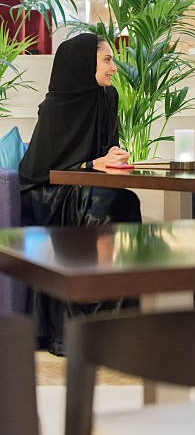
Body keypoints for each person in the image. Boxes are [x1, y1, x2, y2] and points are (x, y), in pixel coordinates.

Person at [19, 32, 141, 354]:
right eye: (107, 59)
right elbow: (34, 173)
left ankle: (119, 322)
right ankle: (82, 329)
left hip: (89, 186)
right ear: (86, 63)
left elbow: (106, 147)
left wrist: (115, 156)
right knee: (103, 206)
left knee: (126, 201)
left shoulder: (107, 97)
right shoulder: (56, 107)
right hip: (49, 195)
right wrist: (92, 164)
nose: (114, 67)